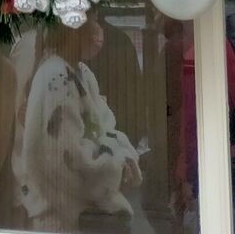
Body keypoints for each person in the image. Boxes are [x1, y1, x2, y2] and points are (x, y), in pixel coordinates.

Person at [10, 18, 142, 231]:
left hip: (84, 212)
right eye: (91, 18)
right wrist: (114, 166)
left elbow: (107, 126)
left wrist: (120, 156)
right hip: (62, 218)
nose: (98, 30)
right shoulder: (55, 76)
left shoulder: (82, 73)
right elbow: (65, 158)